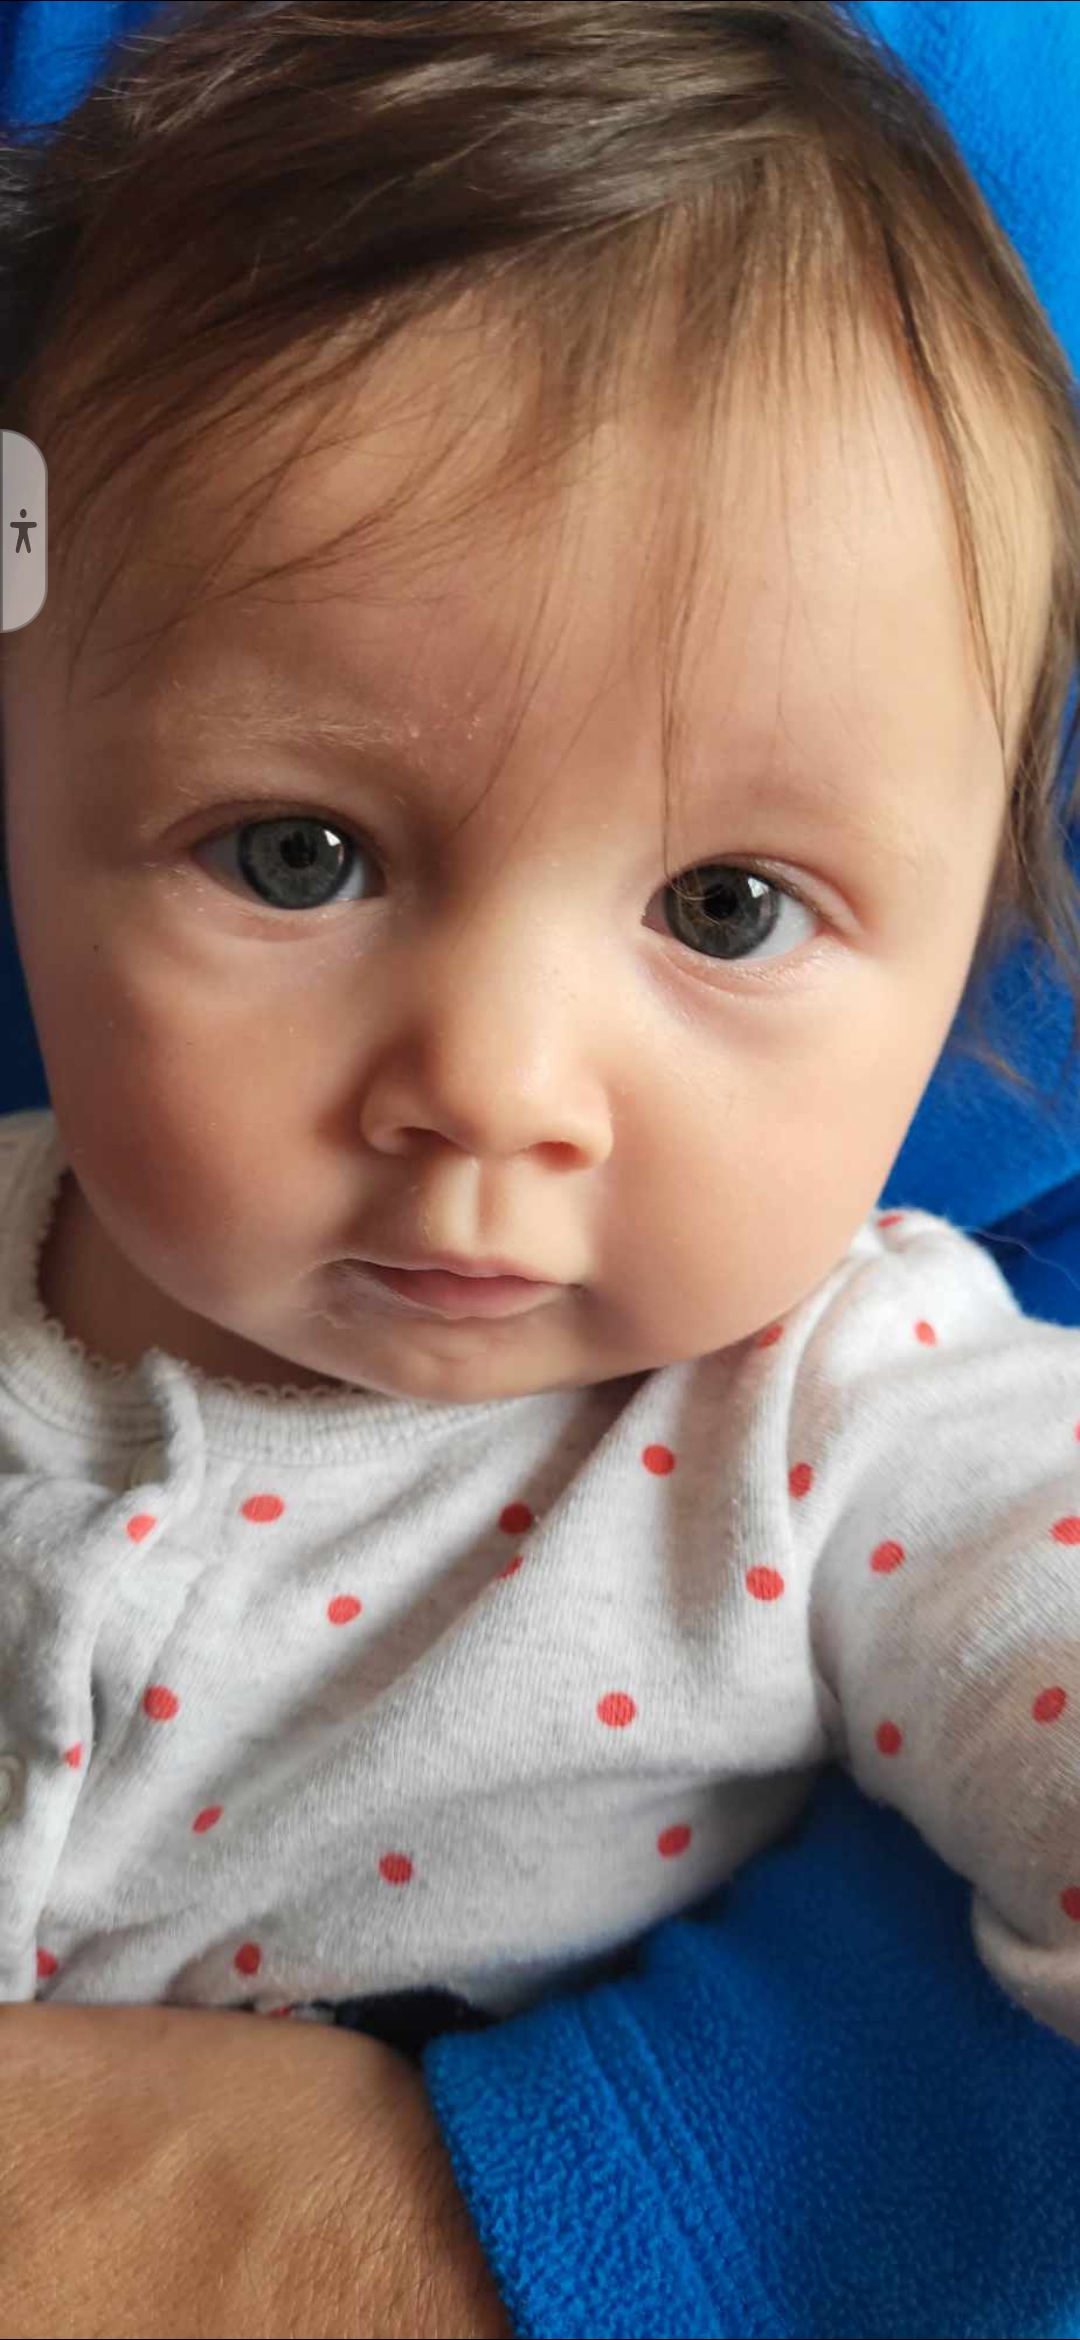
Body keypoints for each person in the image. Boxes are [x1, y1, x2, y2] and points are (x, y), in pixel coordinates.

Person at [1, 3, 1080, 2334]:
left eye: (729, 908)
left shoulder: (848, 1419)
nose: (492, 1087)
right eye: (296, 855)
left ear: (975, 932)